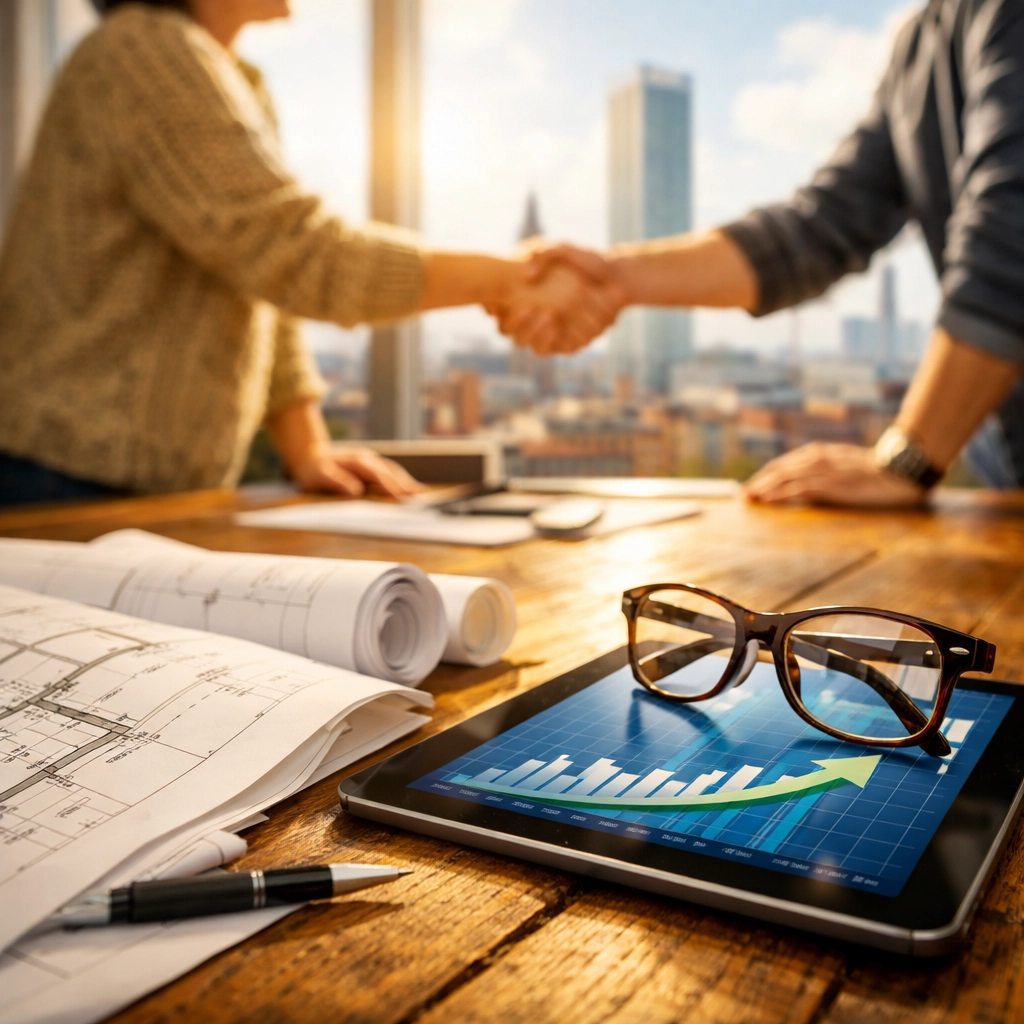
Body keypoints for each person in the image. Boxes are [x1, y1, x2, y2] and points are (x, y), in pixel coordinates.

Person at [0, 0, 611, 508]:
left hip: (154, 487)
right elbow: (296, 250)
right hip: (59, 477)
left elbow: (262, 278)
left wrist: (307, 448)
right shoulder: (142, 51)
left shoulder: (241, 82)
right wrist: (512, 279)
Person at [506, 0, 1024, 506]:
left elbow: (1012, 228)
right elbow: (818, 228)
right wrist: (615, 276)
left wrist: (909, 456)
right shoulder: (924, 41)